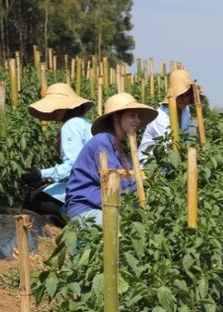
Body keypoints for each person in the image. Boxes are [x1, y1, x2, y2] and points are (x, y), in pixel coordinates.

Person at [65, 93, 157, 225]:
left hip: (103, 205)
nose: (137, 120)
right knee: (118, 229)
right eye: (132, 115)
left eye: (138, 116)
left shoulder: (117, 145)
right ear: (116, 117)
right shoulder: (103, 142)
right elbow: (116, 183)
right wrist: (146, 183)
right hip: (85, 209)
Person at [21, 83, 94, 223]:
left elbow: (74, 165)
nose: (54, 111)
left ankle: (73, 217)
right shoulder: (84, 123)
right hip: (92, 184)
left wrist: (41, 174)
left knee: (32, 201)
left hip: (83, 188)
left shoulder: (71, 125)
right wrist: (49, 178)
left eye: (57, 106)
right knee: (41, 195)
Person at [137, 69, 197, 164]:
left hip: (170, 163)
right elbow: (168, 148)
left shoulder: (186, 110)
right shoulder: (160, 116)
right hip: (149, 167)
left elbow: (185, 140)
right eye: (181, 95)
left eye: (187, 95)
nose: (184, 99)